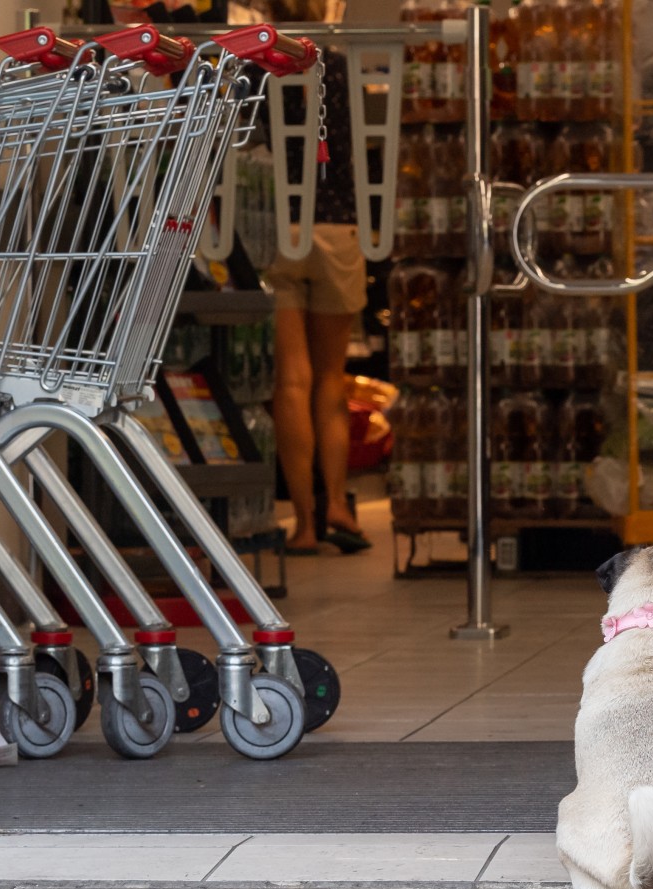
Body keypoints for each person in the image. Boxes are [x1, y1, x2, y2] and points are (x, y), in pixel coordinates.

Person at [260, 0, 371, 555]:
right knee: (332, 380)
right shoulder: (338, 67)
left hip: (278, 227)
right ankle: (338, 504)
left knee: (291, 383)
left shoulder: (255, 67)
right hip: (338, 227)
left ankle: (303, 524)